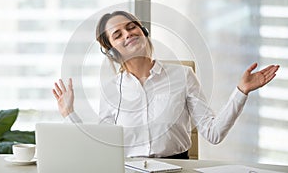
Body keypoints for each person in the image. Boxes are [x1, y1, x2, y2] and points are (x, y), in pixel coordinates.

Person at [52, 11, 280, 159]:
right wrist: (69, 114)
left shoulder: (183, 75)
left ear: (144, 32)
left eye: (132, 27)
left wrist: (241, 91)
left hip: (177, 168)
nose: (128, 34)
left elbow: (213, 133)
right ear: (111, 50)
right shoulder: (111, 89)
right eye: (117, 34)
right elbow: (102, 148)